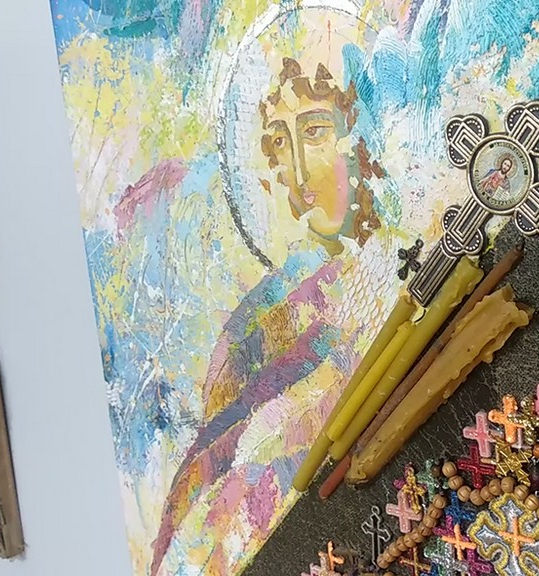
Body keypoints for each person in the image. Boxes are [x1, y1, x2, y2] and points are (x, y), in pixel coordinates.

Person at [150, 51, 402, 576]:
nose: (299, 170)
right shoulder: (274, 297)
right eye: (281, 142)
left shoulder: (392, 274)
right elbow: (218, 438)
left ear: (358, 135)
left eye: (314, 132)